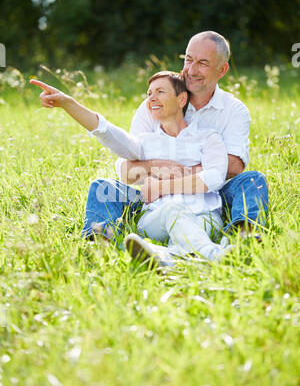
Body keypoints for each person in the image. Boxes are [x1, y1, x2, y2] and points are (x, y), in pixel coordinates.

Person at [81, 31, 268, 243]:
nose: (191, 70)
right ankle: (101, 242)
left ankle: (245, 235)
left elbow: (234, 167)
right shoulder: (155, 103)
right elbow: (130, 168)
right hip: (154, 198)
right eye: (188, 59)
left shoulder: (234, 110)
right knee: (102, 188)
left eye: (203, 63)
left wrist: (179, 176)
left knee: (253, 181)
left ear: (222, 69)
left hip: (210, 197)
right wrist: (159, 164)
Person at [30, 71, 232, 266]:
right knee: (172, 209)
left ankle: (167, 256)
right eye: (149, 93)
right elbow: (106, 131)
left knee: (179, 218)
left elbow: (214, 177)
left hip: (205, 217)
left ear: (181, 100)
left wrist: (163, 187)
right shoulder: (145, 143)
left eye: (160, 92)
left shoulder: (208, 137)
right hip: (156, 219)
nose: (152, 98)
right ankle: (213, 254)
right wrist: (68, 103)